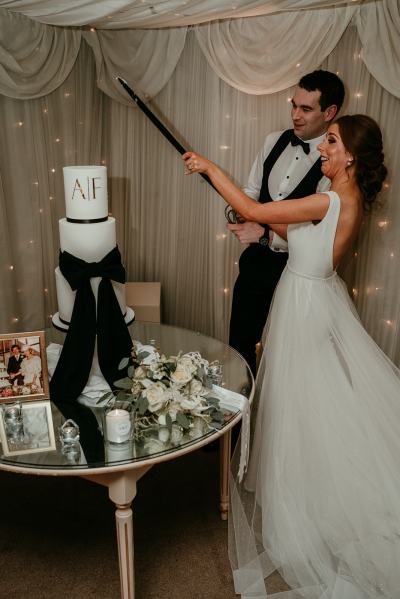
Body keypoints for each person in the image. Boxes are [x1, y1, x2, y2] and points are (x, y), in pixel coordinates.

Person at [182, 115, 400, 598]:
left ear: (351, 157)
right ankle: (312, 486)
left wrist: (209, 167)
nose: (324, 146)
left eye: (333, 141)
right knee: (316, 402)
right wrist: (263, 237)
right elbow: (302, 241)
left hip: (306, 306)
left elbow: (251, 207)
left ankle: (318, 501)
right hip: (314, 296)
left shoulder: (329, 198)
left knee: (307, 404)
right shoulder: (343, 198)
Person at [228, 70, 345, 374]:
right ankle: (242, 420)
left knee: (289, 363)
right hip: (254, 267)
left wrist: (264, 232)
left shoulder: (334, 164)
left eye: (306, 109)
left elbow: (317, 234)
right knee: (240, 349)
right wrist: (241, 210)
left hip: (296, 275)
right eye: (294, 105)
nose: (295, 115)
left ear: (329, 112)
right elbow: (251, 192)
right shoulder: (272, 141)